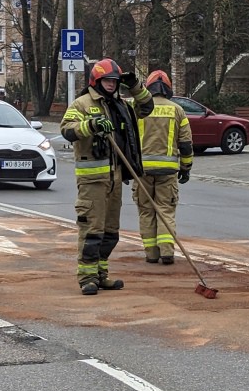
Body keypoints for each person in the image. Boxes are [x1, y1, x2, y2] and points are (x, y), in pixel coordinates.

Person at [60, 58, 155, 295]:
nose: (112, 85)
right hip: (92, 180)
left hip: (115, 178)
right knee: (92, 230)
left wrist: (136, 87)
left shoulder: (121, 105)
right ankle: (87, 277)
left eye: (115, 81)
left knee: (110, 232)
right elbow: (67, 129)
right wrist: (91, 126)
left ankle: (102, 274)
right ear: (97, 80)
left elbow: (147, 108)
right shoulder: (82, 104)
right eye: (107, 81)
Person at [132, 70, 193, 264]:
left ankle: (151, 254)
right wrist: (186, 167)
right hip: (167, 171)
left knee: (146, 211)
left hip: (141, 171)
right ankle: (167, 252)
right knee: (165, 210)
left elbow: (126, 140)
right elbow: (185, 144)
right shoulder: (177, 110)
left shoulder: (136, 108)